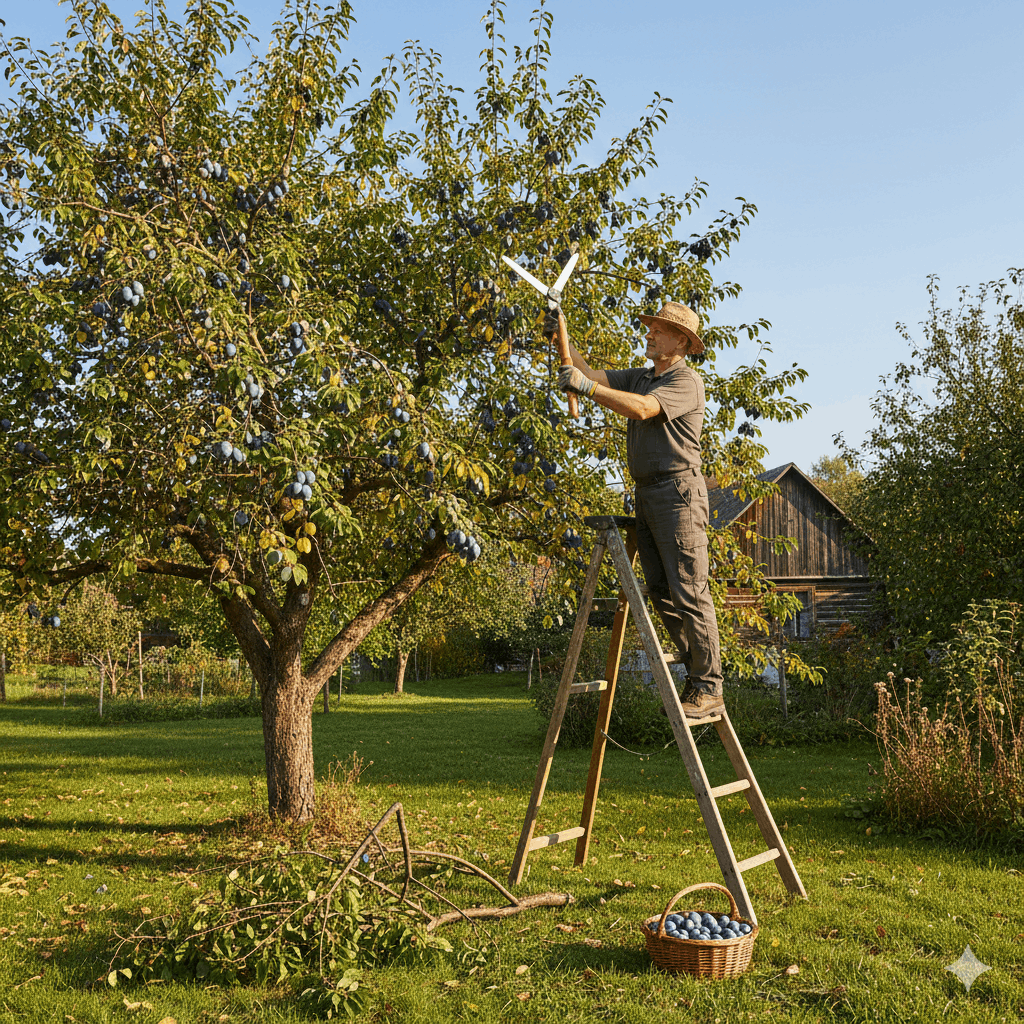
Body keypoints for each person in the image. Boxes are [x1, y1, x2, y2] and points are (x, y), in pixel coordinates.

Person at [554, 301, 724, 719]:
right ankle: (695, 675)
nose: (649, 333)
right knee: (662, 592)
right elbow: (589, 373)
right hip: (647, 494)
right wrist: (557, 329)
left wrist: (585, 388)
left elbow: (643, 408)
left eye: (658, 330)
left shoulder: (686, 380)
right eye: (650, 328)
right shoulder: (643, 377)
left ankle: (709, 686)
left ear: (681, 341)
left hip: (679, 494)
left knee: (690, 592)